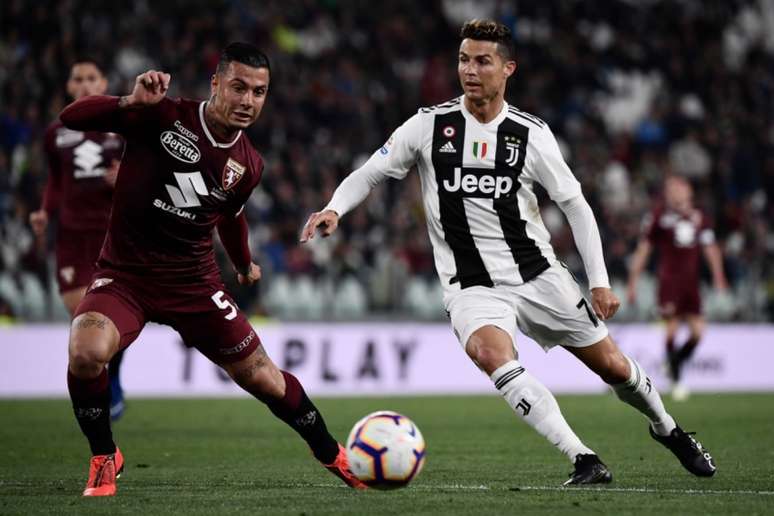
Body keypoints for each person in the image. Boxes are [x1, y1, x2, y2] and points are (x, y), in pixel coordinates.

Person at [301, 20, 716, 485]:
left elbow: (575, 205)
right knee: (490, 353)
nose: (470, 70)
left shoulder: (530, 134)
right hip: (470, 283)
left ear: (507, 68)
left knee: (615, 368)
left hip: (539, 275)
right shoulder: (428, 125)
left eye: (482, 61)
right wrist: (334, 208)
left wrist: (598, 280)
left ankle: (669, 429)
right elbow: (371, 171)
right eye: (463, 60)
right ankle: (584, 458)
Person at [60, 42, 365, 496]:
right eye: (239, 87)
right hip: (126, 275)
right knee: (86, 352)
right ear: (216, 83)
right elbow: (72, 117)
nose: (248, 101)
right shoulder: (162, 115)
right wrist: (128, 101)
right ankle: (104, 455)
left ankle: (331, 453)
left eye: (259, 92)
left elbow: (230, 215)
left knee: (263, 377)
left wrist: (243, 264)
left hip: (193, 283)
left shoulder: (250, 165)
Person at [29, 59, 128, 420]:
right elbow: (56, 182)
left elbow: (147, 177)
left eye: (91, 78)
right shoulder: (56, 133)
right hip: (71, 236)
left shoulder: (123, 130)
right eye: (78, 79)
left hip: (111, 236)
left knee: (108, 317)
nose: (85, 85)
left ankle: (113, 381)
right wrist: (44, 211)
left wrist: (125, 178)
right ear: (70, 87)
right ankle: (106, 379)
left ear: (103, 82)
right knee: (83, 317)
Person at [627, 176, 727, 400]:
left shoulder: (700, 217)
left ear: (689, 192)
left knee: (698, 333)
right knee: (671, 328)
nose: (675, 193)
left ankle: (673, 363)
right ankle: (677, 380)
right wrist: (633, 281)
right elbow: (644, 250)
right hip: (669, 283)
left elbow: (710, 249)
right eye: (670, 189)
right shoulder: (659, 217)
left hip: (691, 284)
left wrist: (719, 275)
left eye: (679, 189)